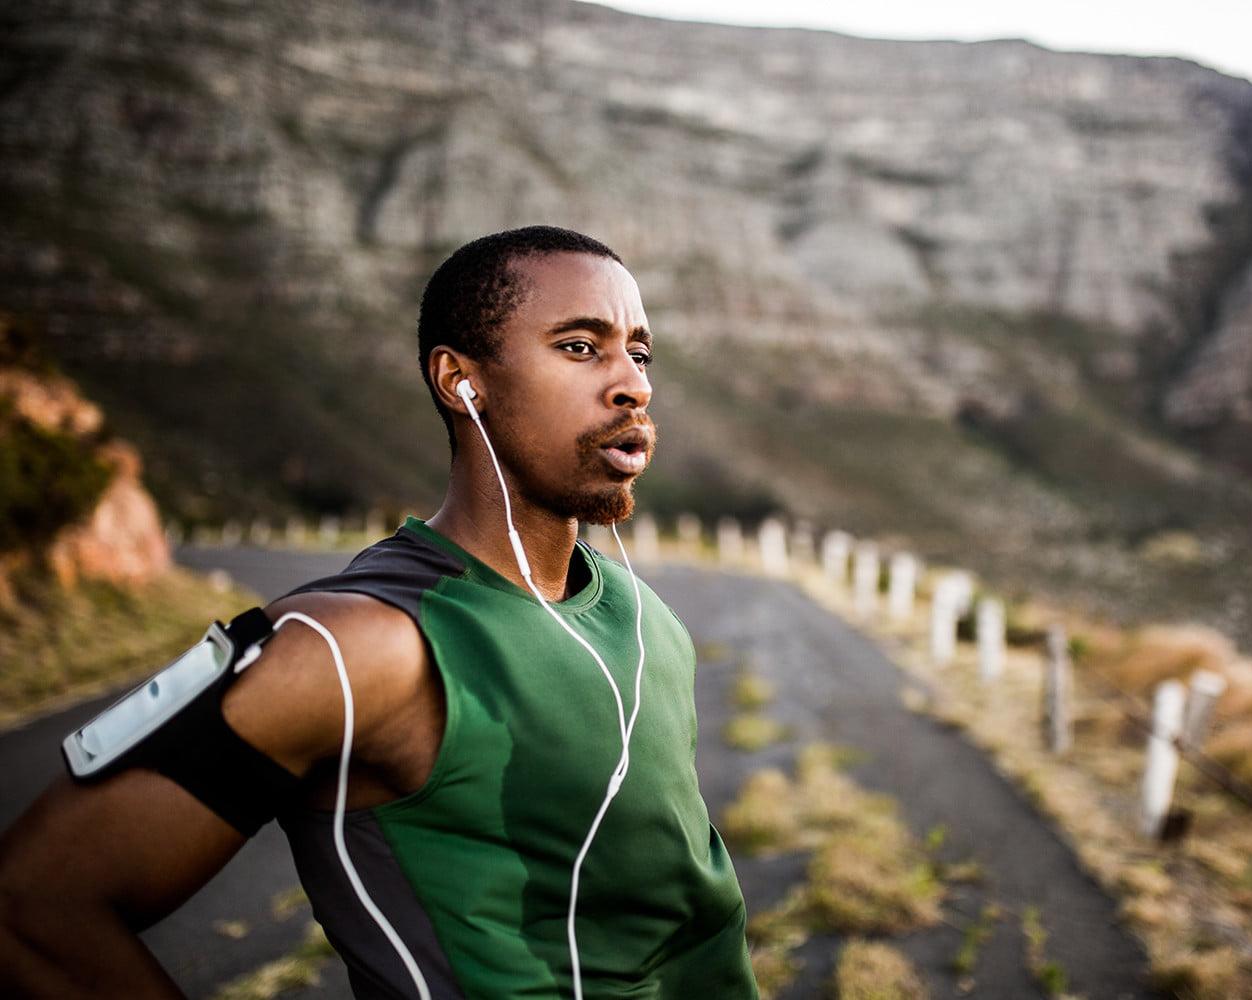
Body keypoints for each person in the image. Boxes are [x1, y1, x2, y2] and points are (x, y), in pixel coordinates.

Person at [0, 226, 758, 998]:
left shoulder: (642, 614)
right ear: (460, 381)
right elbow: (34, 910)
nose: (633, 383)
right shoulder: (353, 645)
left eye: (639, 352)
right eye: (577, 346)